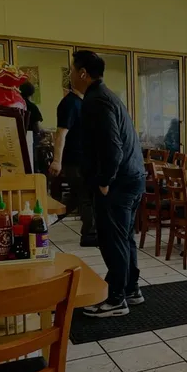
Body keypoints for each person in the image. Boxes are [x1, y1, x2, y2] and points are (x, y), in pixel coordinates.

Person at [70, 50, 146, 318]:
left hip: (118, 183)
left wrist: (104, 181)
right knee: (124, 238)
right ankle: (131, 289)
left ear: (83, 73)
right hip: (133, 178)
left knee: (113, 240)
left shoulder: (96, 101)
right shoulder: (108, 96)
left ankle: (116, 299)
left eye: (72, 70)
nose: (70, 75)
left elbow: (113, 148)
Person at [48, 87, 97, 247]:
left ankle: (45, 221)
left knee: (75, 198)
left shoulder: (81, 102)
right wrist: (57, 161)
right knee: (86, 197)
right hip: (75, 161)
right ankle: (89, 235)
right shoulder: (70, 103)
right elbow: (61, 134)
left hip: (81, 160)